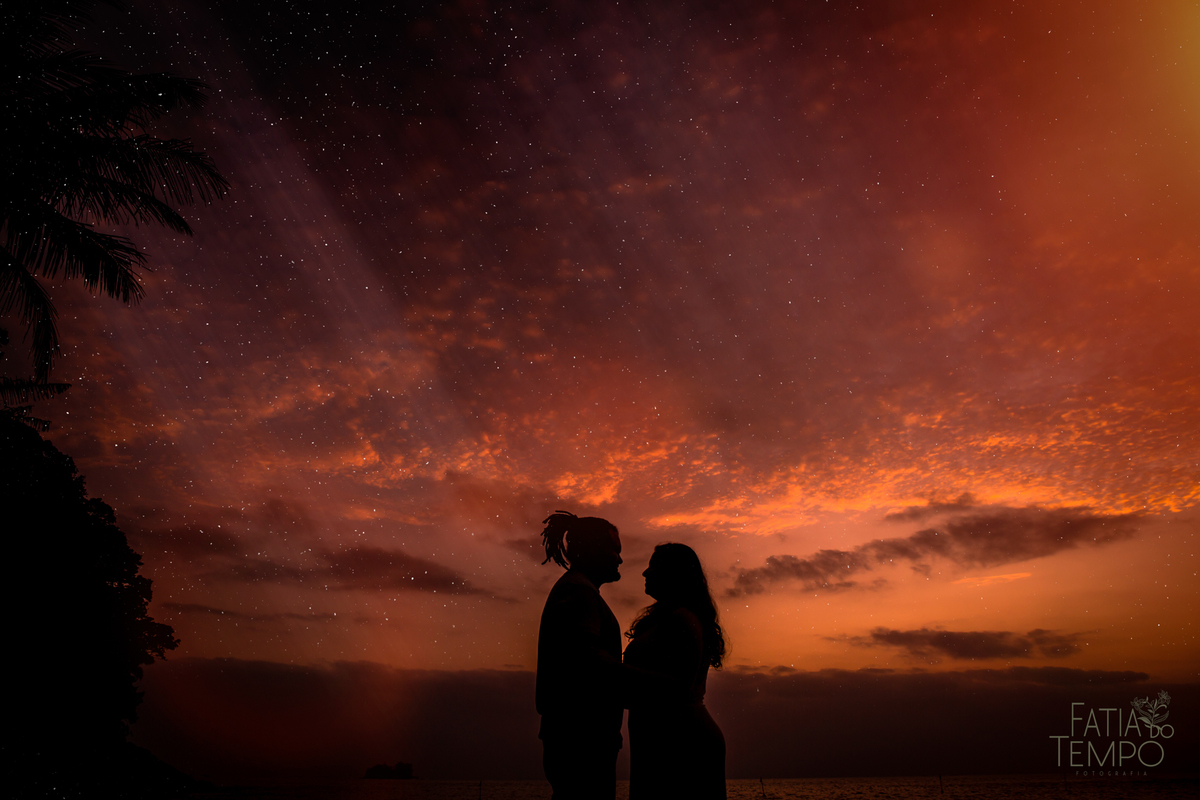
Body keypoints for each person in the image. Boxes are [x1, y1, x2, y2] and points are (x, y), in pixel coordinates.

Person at [623, 543, 727, 799]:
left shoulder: (683, 620)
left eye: (654, 566)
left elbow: (681, 687)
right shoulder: (666, 619)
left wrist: (612, 672)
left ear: (674, 573)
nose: (645, 573)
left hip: (682, 742)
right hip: (666, 739)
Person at [536, 511, 625, 800]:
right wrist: (655, 685)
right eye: (615, 550)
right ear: (593, 549)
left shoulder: (577, 590)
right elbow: (589, 662)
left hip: (576, 738)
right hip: (583, 741)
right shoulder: (580, 593)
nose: (620, 559)